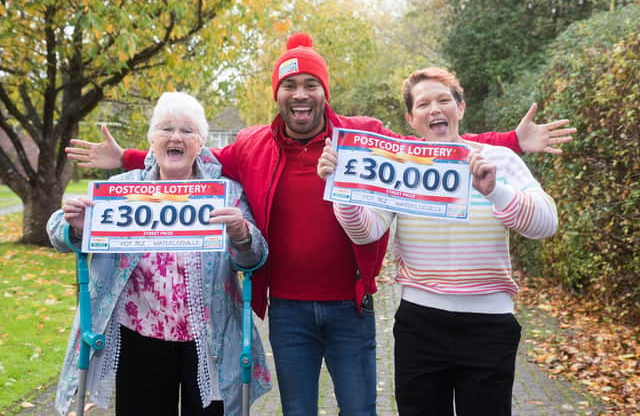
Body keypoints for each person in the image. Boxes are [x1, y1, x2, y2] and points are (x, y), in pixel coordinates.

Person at [65, 34, 574, 416]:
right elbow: (195, 157)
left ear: (324, 92)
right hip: (287, 313)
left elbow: (432, 145)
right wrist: (129, 155)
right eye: (291, 85)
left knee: (358, 409)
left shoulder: (363, 137)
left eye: (311, 84)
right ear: (279, 95)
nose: (301, 93)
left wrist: (508, 141)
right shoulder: (251, 145)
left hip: (352, 309)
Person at [317, 67, 559, 415]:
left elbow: (545, 222)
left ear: (460, 108)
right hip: (420, 325)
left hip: (489, 326)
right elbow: (367, 230)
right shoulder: (401, 166)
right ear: (411, 119)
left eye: (444, 100)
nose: (434, 109)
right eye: (423, 104)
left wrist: (496, 192)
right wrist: (343, 192)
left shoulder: (499, 159)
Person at [47, 92, 271, 416]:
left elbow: (253, 259)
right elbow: (57, 231)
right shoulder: (125, 190)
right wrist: (77, 228)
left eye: (187, 131)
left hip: (209, 339)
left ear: (201, 144)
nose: (176, 137)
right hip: (140, 337)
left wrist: (242, 235)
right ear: (152, 140)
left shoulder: (226, 194)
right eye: (165, 129)